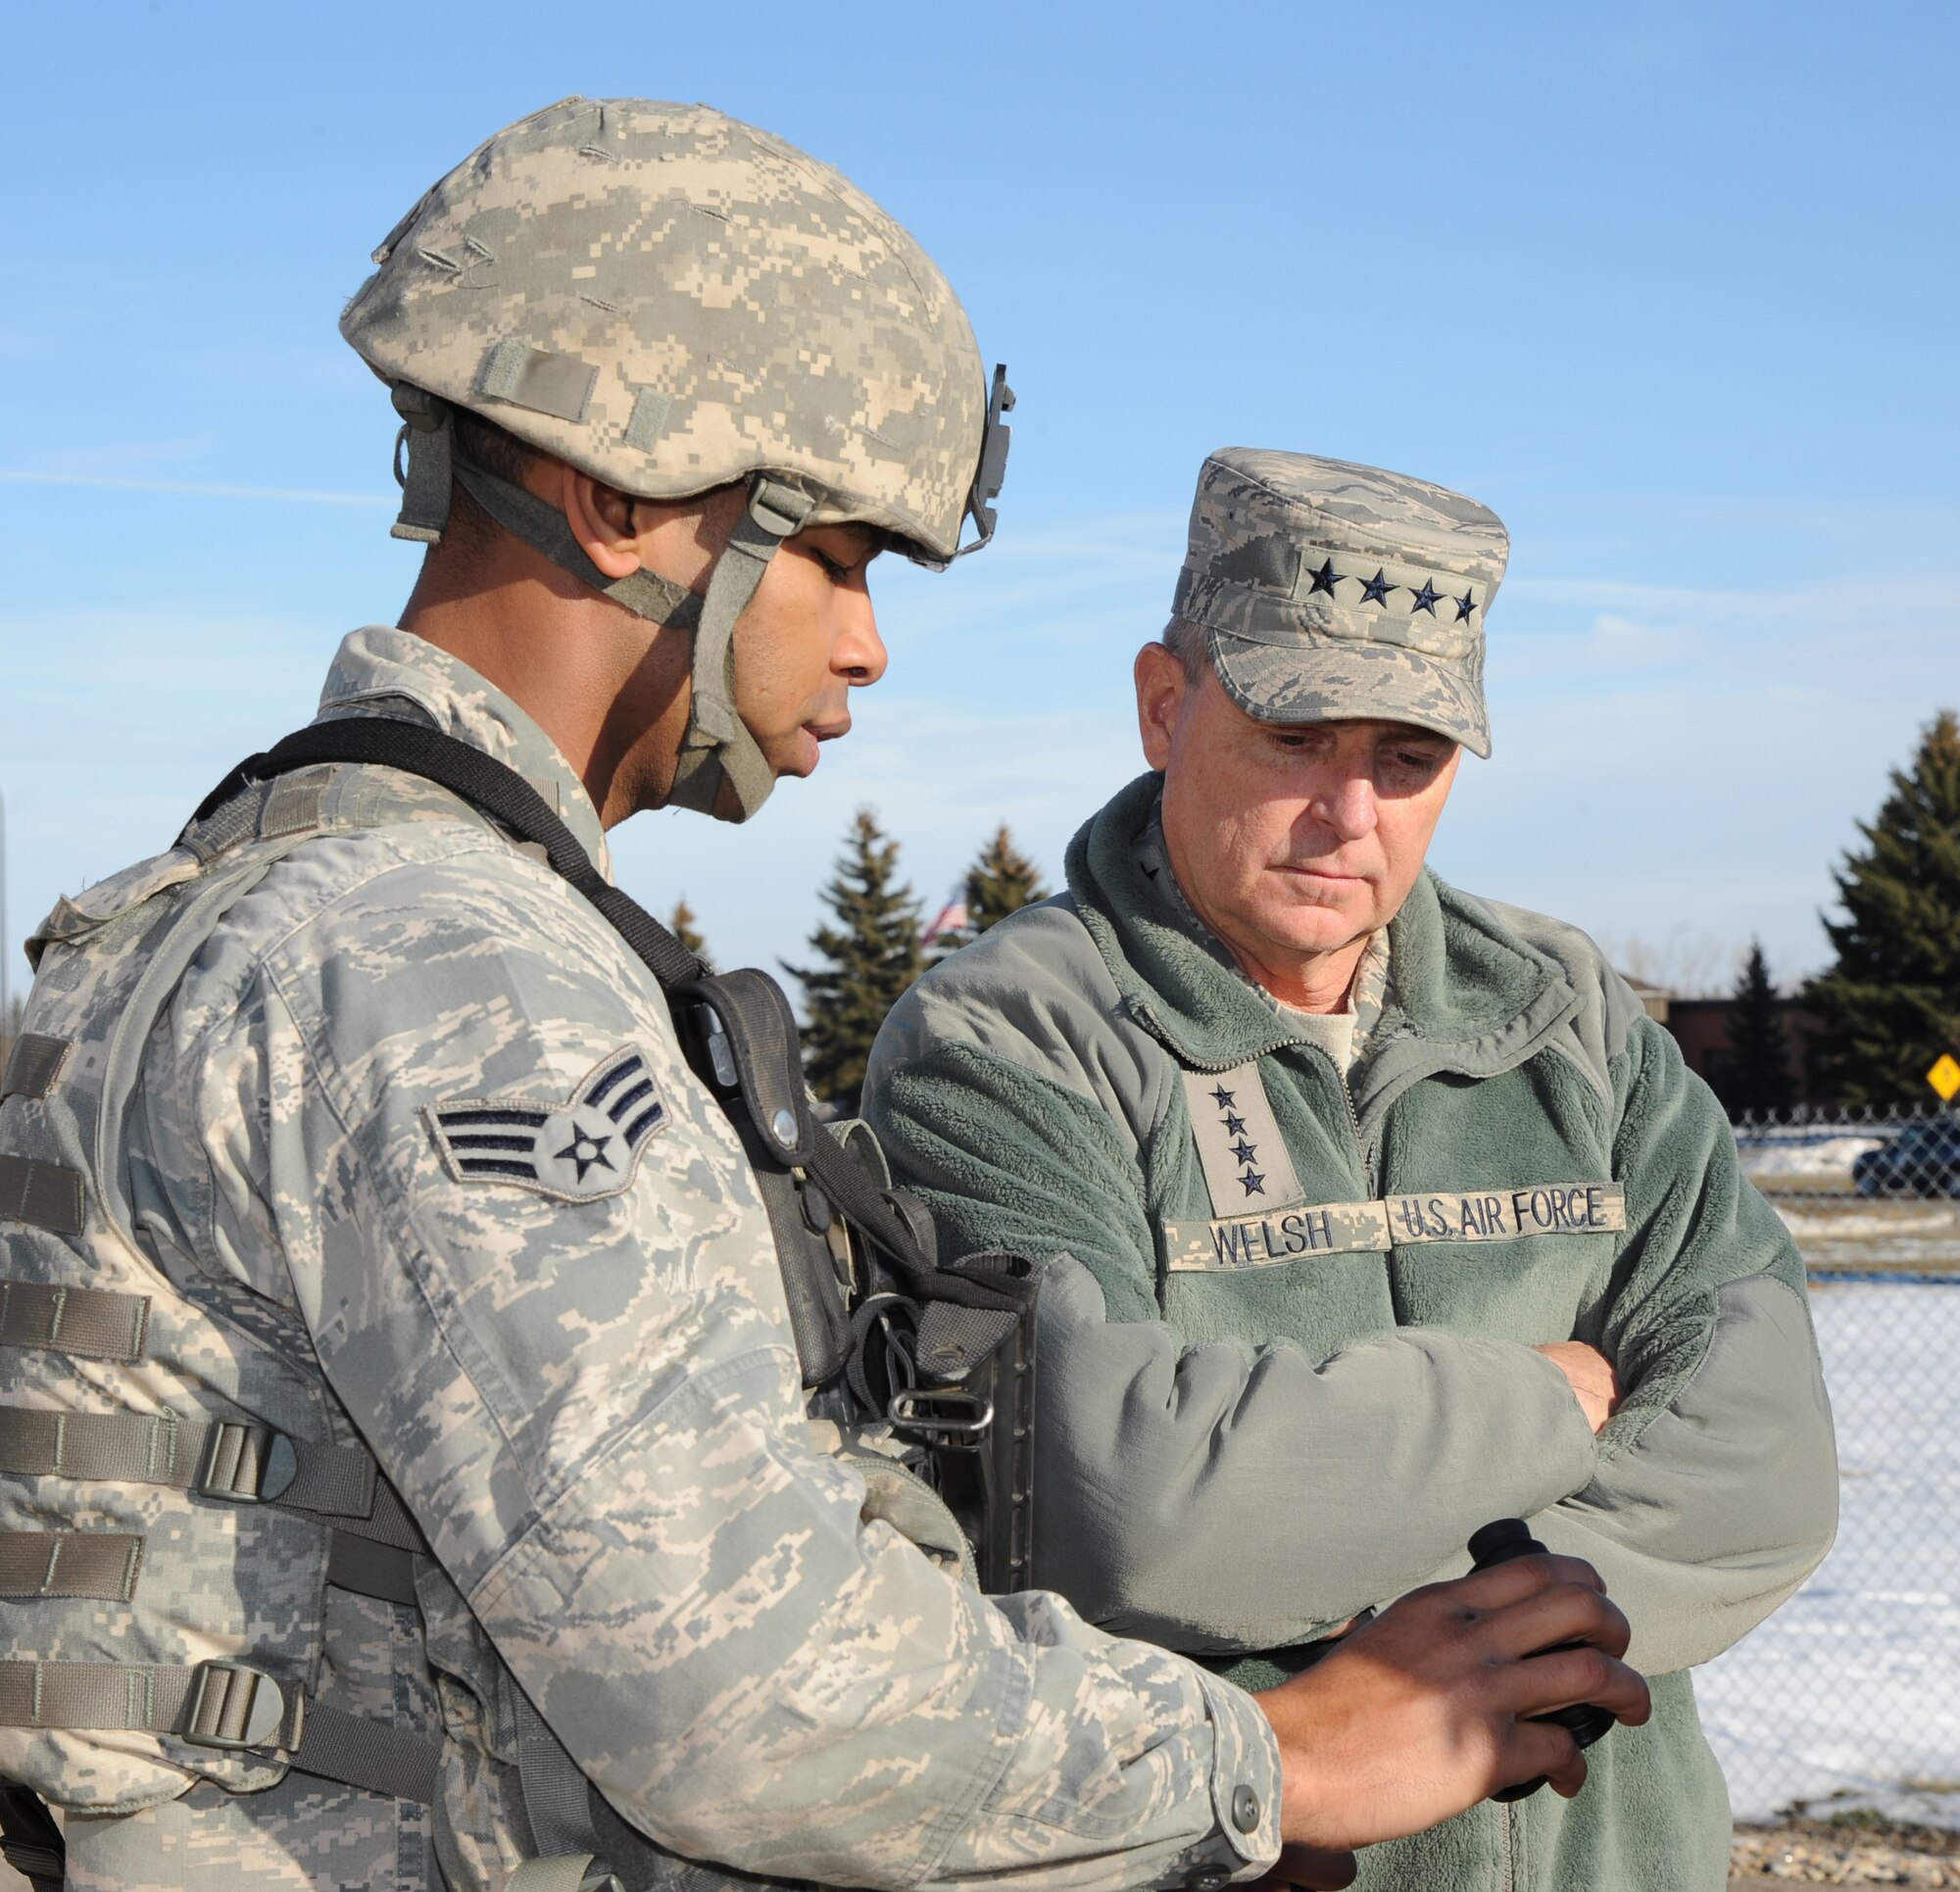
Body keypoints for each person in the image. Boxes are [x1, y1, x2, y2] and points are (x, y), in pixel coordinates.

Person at [0, 110, 1648, 1892]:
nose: (867, 645)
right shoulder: (450, 968)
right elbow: (743, 1700)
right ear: (624, 498)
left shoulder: (211, 905)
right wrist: (1270, 1758)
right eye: (842, 558)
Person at [864, 449, 1838, 1891]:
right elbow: (1117, 1502)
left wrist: (1469, 1651)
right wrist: (1543, 1398)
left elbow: (1769, 1458)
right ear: (1163, 703)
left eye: (1410, 758)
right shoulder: (1008, 1042)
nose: (1352, 812)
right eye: (1296, 734)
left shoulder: (1566, 1019)